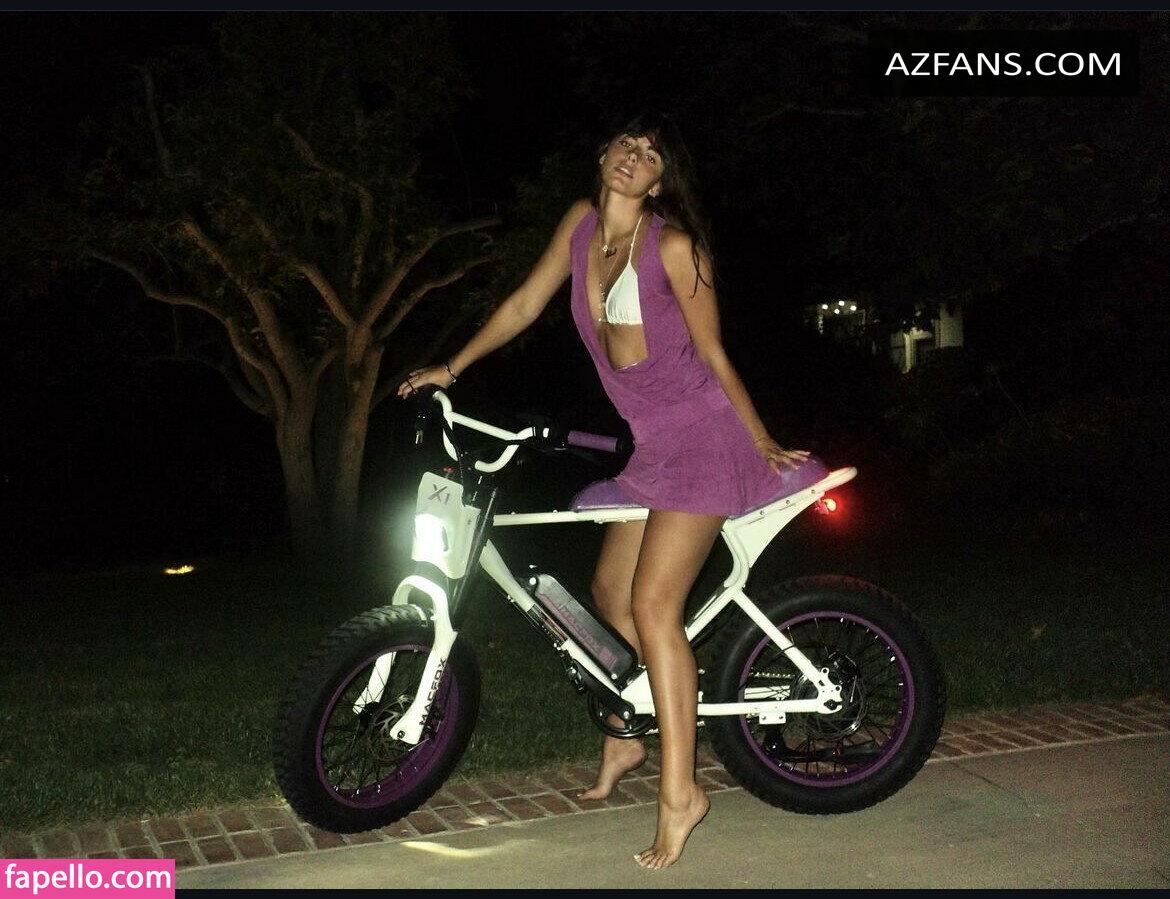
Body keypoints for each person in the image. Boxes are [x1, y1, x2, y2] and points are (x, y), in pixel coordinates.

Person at [398, 112, 811, 869]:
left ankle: (681, 793)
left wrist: (760, 441)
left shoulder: (676, 247)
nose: (634, 157)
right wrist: (450, 369)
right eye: (627, 143)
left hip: (705, 441)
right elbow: (523, 305)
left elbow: (714, 353)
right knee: (610, 592)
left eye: (651, 154)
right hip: (651, 445)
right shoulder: (581, 225)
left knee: (654, 607)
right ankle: (629, 730)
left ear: (660, 181)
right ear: (604, 154)